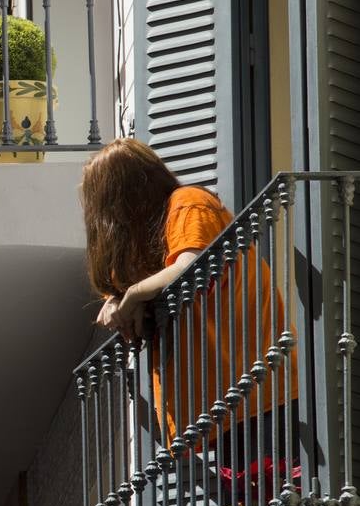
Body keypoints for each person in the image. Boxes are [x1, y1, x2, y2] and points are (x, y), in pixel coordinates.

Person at [78, 139, 296, 453]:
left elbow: (190, 264)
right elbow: (117, 291)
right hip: (218, 411)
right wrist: (117, 300)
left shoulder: (187, 203)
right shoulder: (146, 241)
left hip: (261, 393)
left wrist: (135, 295)